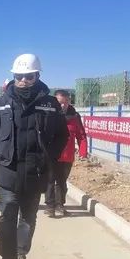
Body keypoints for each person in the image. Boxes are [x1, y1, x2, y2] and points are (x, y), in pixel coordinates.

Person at [0, 54, 68, 259]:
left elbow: (62, 135)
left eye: (28, 76)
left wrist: (48, 156)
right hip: (9, 170)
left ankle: (21, 255)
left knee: (28, 218)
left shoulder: (50, 104)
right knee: (7, 215)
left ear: (37, 76)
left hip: (36, 171)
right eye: (19, 76)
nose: (23, 80)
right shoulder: (3, 101)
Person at [45, 90, 87, 218]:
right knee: (50, 180)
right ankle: (50, 206)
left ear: (69, 101)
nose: (63, 105)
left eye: (65, 102)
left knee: (62, 181)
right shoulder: (49, 114)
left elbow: (81, 135)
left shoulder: (75, 116)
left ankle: (60, 205)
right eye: (60, 102)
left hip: (67, 155)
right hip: (51, 154)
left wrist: (83, 152)